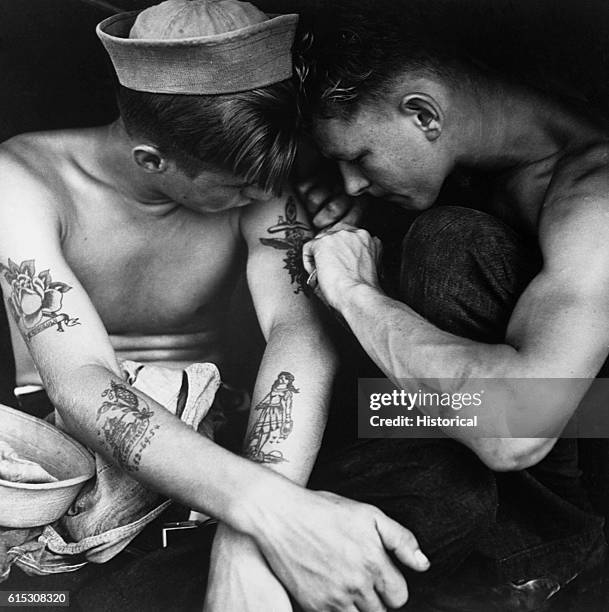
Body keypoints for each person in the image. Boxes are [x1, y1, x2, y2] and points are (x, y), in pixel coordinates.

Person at [0, 1, 433, 611]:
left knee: (438, 475)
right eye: (236, 185)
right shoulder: (23, 178)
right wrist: (272, 512)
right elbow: (80, 382)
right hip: (68, 441)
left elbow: (297, 332)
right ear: (153, 159)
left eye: (269, 180)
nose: (261, 196)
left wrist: (247, 534)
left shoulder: (253, 176)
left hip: (220, 431)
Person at [295, 0, 609, 607]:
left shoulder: (593, 197)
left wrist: (353, 291)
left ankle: (545, 558)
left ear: (423, 114)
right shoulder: (491, 143)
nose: (350, 183)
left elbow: (518, 430)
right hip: (483, 421)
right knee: (376, 427)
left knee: (447, 245)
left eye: (358, 158)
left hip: (577, 428)